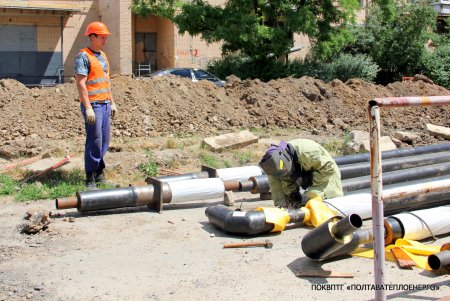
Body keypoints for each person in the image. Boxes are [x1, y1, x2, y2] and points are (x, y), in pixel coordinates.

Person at [74, 21, 118, 190]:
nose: (105, 40)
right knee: (94, 140)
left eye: (106, 37)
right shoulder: (83, 56)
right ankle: (90, 177)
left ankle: (99, 173)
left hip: (105, 103)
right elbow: (81, 84)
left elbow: (106, 82)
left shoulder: (103, 56)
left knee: (104, 140)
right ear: (92, 37)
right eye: (102, 37)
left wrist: (112, 102)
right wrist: (88, 108)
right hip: (93, 105)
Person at [259, 139, 343, 208]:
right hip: (303, 170)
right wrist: (288, 200)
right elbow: (278, 189)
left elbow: (328, 168)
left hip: (325, 175)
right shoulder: (274, 167)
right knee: (301, 203)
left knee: (321, 202)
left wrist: (311, 187)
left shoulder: (308, 152)